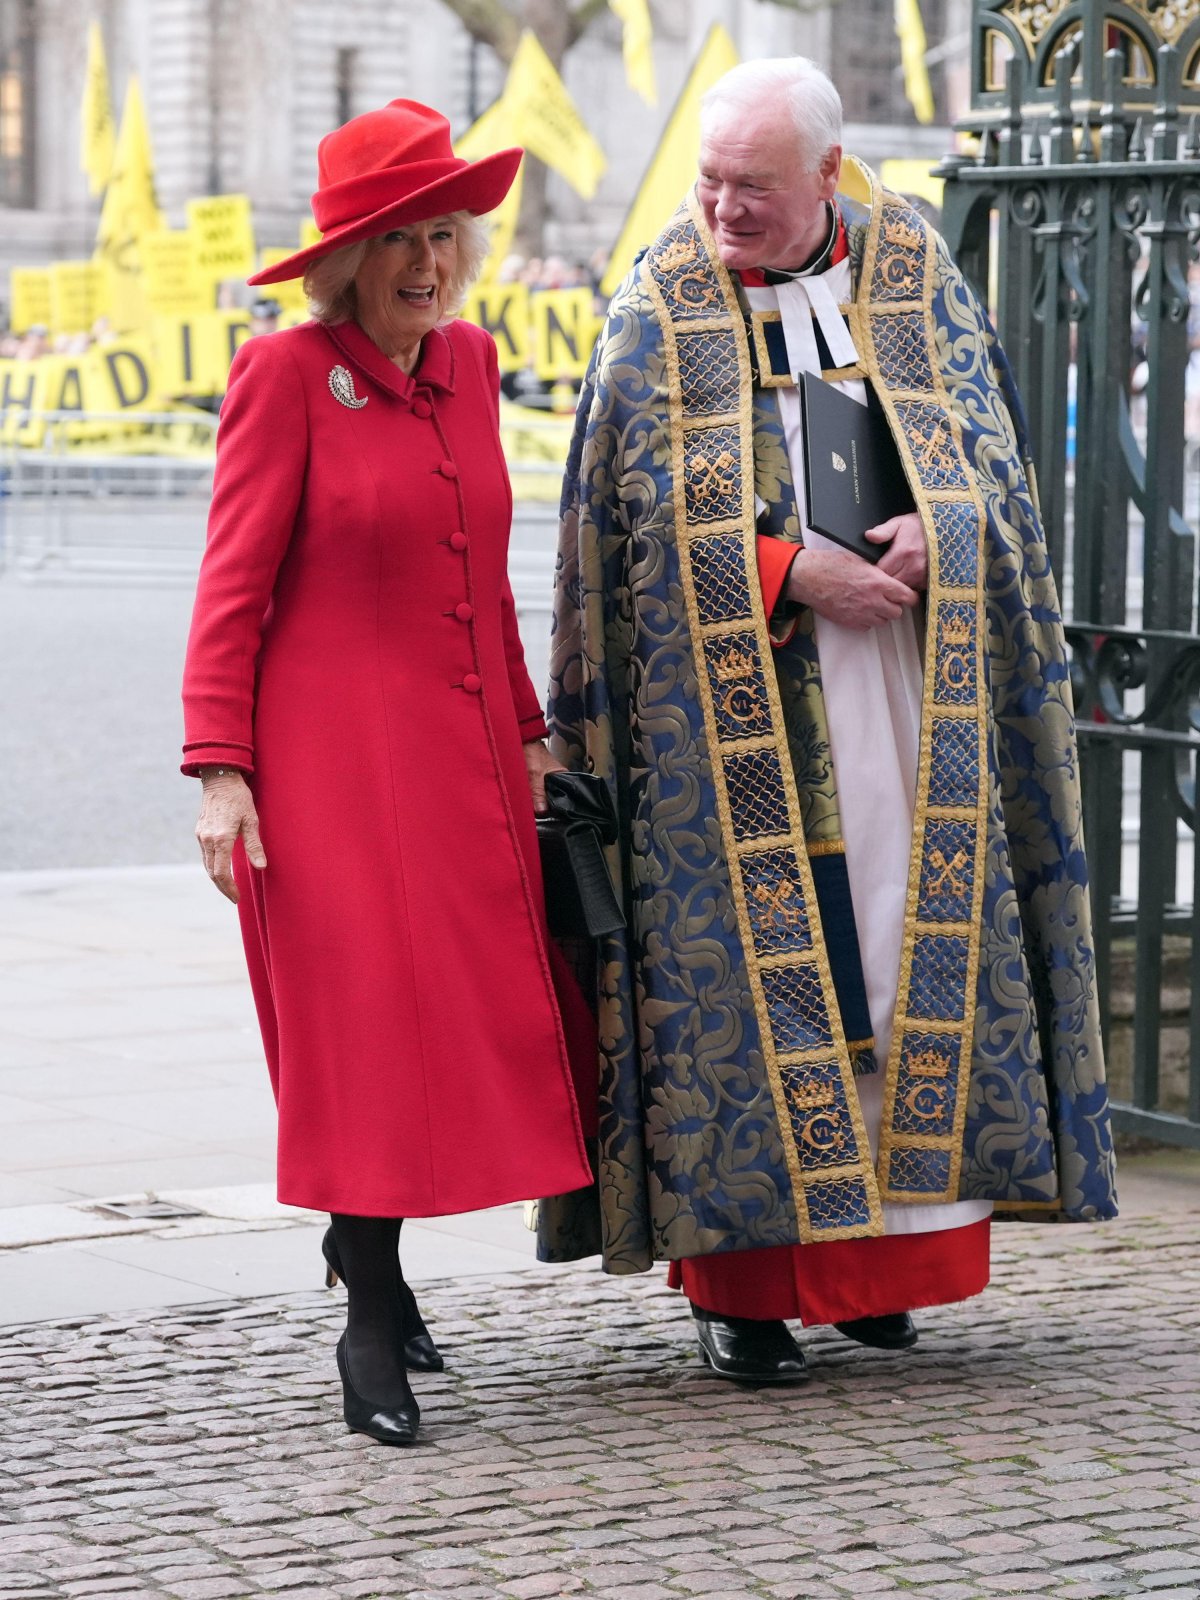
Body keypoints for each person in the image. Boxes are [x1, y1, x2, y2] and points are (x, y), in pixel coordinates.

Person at [538, 57, 1117, 1382]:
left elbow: (1000, 484)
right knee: (756, 993)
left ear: (827, 176)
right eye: (709, 180)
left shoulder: (917, 279)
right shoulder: (655, 310)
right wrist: (784, 569)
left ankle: (881, 1271)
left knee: (902, 959)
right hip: (729, 731)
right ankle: (741, 1291)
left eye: (754, 187)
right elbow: (615, 540)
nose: (723, 208)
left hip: (907, 699)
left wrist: (942, 533)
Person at [181, 99, 595, 1443]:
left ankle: (378, 1266)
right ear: (345, 257)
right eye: (396, 239)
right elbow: (231, 590)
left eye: (444, 234)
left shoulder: (471, 364)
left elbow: (485, 585)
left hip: (461, 758)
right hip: (325, 771)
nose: (427, 261)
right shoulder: (286, 378)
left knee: (462, 1024)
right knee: (366, 1032)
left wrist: (531, 739)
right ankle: (369, 1312)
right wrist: (219, 770)